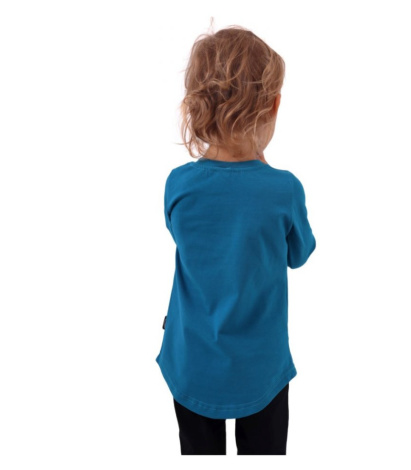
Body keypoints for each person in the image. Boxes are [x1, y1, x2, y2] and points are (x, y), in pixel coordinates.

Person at [156, 23, 316, 455]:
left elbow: (184, 236)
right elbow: (299, 253)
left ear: (196, 106)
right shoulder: (284, 190)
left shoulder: (178, 185)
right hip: (260, 371)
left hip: (191, 363)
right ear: (273, 107)